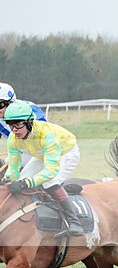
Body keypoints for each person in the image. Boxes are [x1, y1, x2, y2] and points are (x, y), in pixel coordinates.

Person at [3, 101, 84, 237]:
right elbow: (14, 168)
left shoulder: (47, 135)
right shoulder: (13, 138)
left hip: (66, 152)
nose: (14, 130)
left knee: (49, 181)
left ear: (29, 122)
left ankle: (74, 222)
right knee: (22, 179)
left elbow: (50, 171)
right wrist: (7, 179)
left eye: (18, 125)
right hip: (42, 154)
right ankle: (60, 191)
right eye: (11, 126)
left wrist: (26, 183)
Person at [0, 82, 48, 166]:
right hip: (23, 151)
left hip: (43, 151)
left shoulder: (30, 109)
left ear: (10, 102)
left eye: (0, 105)